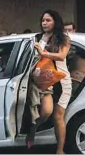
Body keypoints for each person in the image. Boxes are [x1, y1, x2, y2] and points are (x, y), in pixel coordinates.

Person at [30, 10, 72, 154]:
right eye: (43, 20)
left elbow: (62, 56)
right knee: (45, 112)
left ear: (55, 22)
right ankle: (33, 128)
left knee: (58, 116)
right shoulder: (36, 37)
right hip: (43, 80)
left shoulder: (63, 38)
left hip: (61, 80)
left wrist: (44, 53)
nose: (45, 23)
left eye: (48, 20)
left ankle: (60, 151)